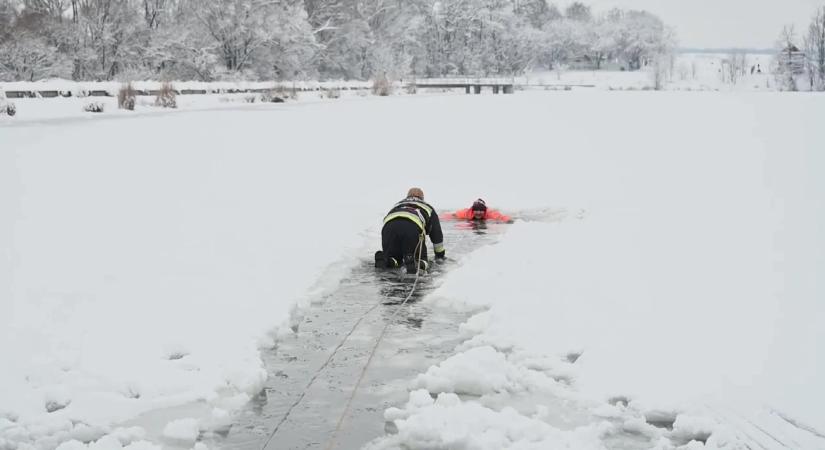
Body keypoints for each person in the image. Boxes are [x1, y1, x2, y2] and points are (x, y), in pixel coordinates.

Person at [376, 187, 446, 273]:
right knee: (421, 260)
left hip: (389, 228)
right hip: (411, 227)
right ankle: (415, 262)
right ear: (422, 198)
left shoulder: (398, 204)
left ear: (407, 196)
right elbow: (436, 234)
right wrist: (440, 255)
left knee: (394, 258)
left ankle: (386, 261)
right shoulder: (428, 207)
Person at [443, 199, 513, 223]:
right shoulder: (465, 213)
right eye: (476, 210)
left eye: (481, 210)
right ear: (472, 210)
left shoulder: (491, 213)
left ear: (485, 211)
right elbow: (452, 215)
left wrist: (509, 221)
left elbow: (502, 217)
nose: (478, 212)